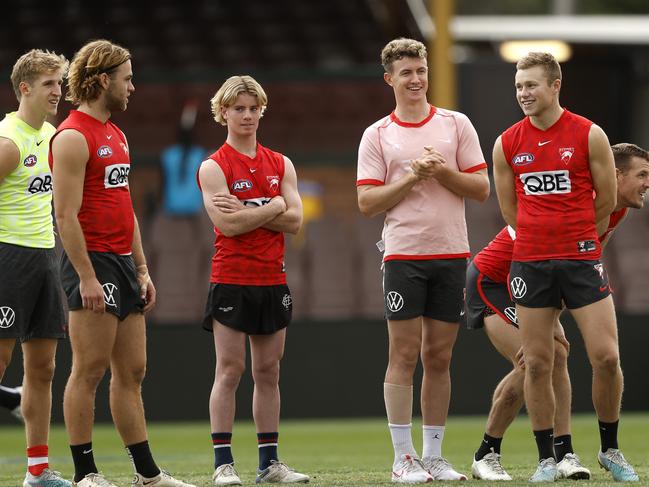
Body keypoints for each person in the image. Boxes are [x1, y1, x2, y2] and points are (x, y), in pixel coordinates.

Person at [49, 39, 194, 487]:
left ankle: (147, 474)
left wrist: (143, 268)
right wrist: (88, 277)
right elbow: (64, 215)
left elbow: (124, 204)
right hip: (90, 264)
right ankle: (85, 474)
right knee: (88, 369)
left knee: (132, 371)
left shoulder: (117, 133)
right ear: (104, 79)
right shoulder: (72, 136)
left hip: (123, 264)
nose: (133, 87)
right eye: (128, 78)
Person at [492, 52, 639, 482]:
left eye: (531, 85)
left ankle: (610, 449)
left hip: (581, 262)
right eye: (519, 86)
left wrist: (574, 239)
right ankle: (547, 459)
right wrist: (542, 243)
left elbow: (607, 200)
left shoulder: (588, 134)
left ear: (555, 86)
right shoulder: (506, 143)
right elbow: (509, 210)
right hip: (531, 265)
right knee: (538, 363)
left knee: (606, 357)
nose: (524, 93)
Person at [467, 142, 649, 481]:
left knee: (557, 355)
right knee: (533, 361)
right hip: (494, 280)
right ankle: (486, 452)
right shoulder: (584, 200)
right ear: (616, 175)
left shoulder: (617, 207)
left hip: (541, 278)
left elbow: (589, 254)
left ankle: (564, 453)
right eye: (642, 175)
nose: (647, 183)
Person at [356, 38, 490, 483]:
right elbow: (368, 202)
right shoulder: (377, 134)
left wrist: (441, 172)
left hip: (452, 252)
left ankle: (433, 454)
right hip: (403, 255)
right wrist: (413, 175)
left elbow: (480, 188)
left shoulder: (456, 124)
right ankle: (403, 458)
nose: (415, 79)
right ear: (389, 79)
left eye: (421, 70)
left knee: (439, 356)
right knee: (404, 354)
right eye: (406, 72)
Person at [197, 75, 309, 486]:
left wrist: (252, 210)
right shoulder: (213, 166)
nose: (246, 115)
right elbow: (227, 225)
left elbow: (296, 221)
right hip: (231, 278)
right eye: (238, 108)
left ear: (262, 110)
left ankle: (269, 464)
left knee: (268, 371)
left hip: (272, 279)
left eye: (252, 108)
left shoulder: (281, 163)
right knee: (230, 369)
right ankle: (223, 464)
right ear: (223, 111)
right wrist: (274, 205)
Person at [0, 49, 70, 487]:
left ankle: (38, 472)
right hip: (8, 258)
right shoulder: (9, 142)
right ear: (24, 88)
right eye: (49, 84)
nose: (58, 92)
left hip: (46, 257)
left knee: (42, 369)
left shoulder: (54, 135)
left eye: (60, 83)